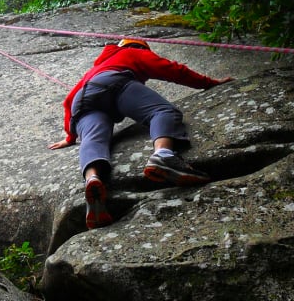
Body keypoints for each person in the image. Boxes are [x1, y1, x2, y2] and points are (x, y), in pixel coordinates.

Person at [47, 38, 233, 229]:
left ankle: (93, 178)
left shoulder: (95, 68)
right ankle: (163, 155)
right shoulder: (132, 51)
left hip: (83, 100)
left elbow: (69, 101)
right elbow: (170, 69)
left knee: (93, 138)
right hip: (115, 83)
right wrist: (208, 83)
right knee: (162, 111)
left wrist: (70, 137)